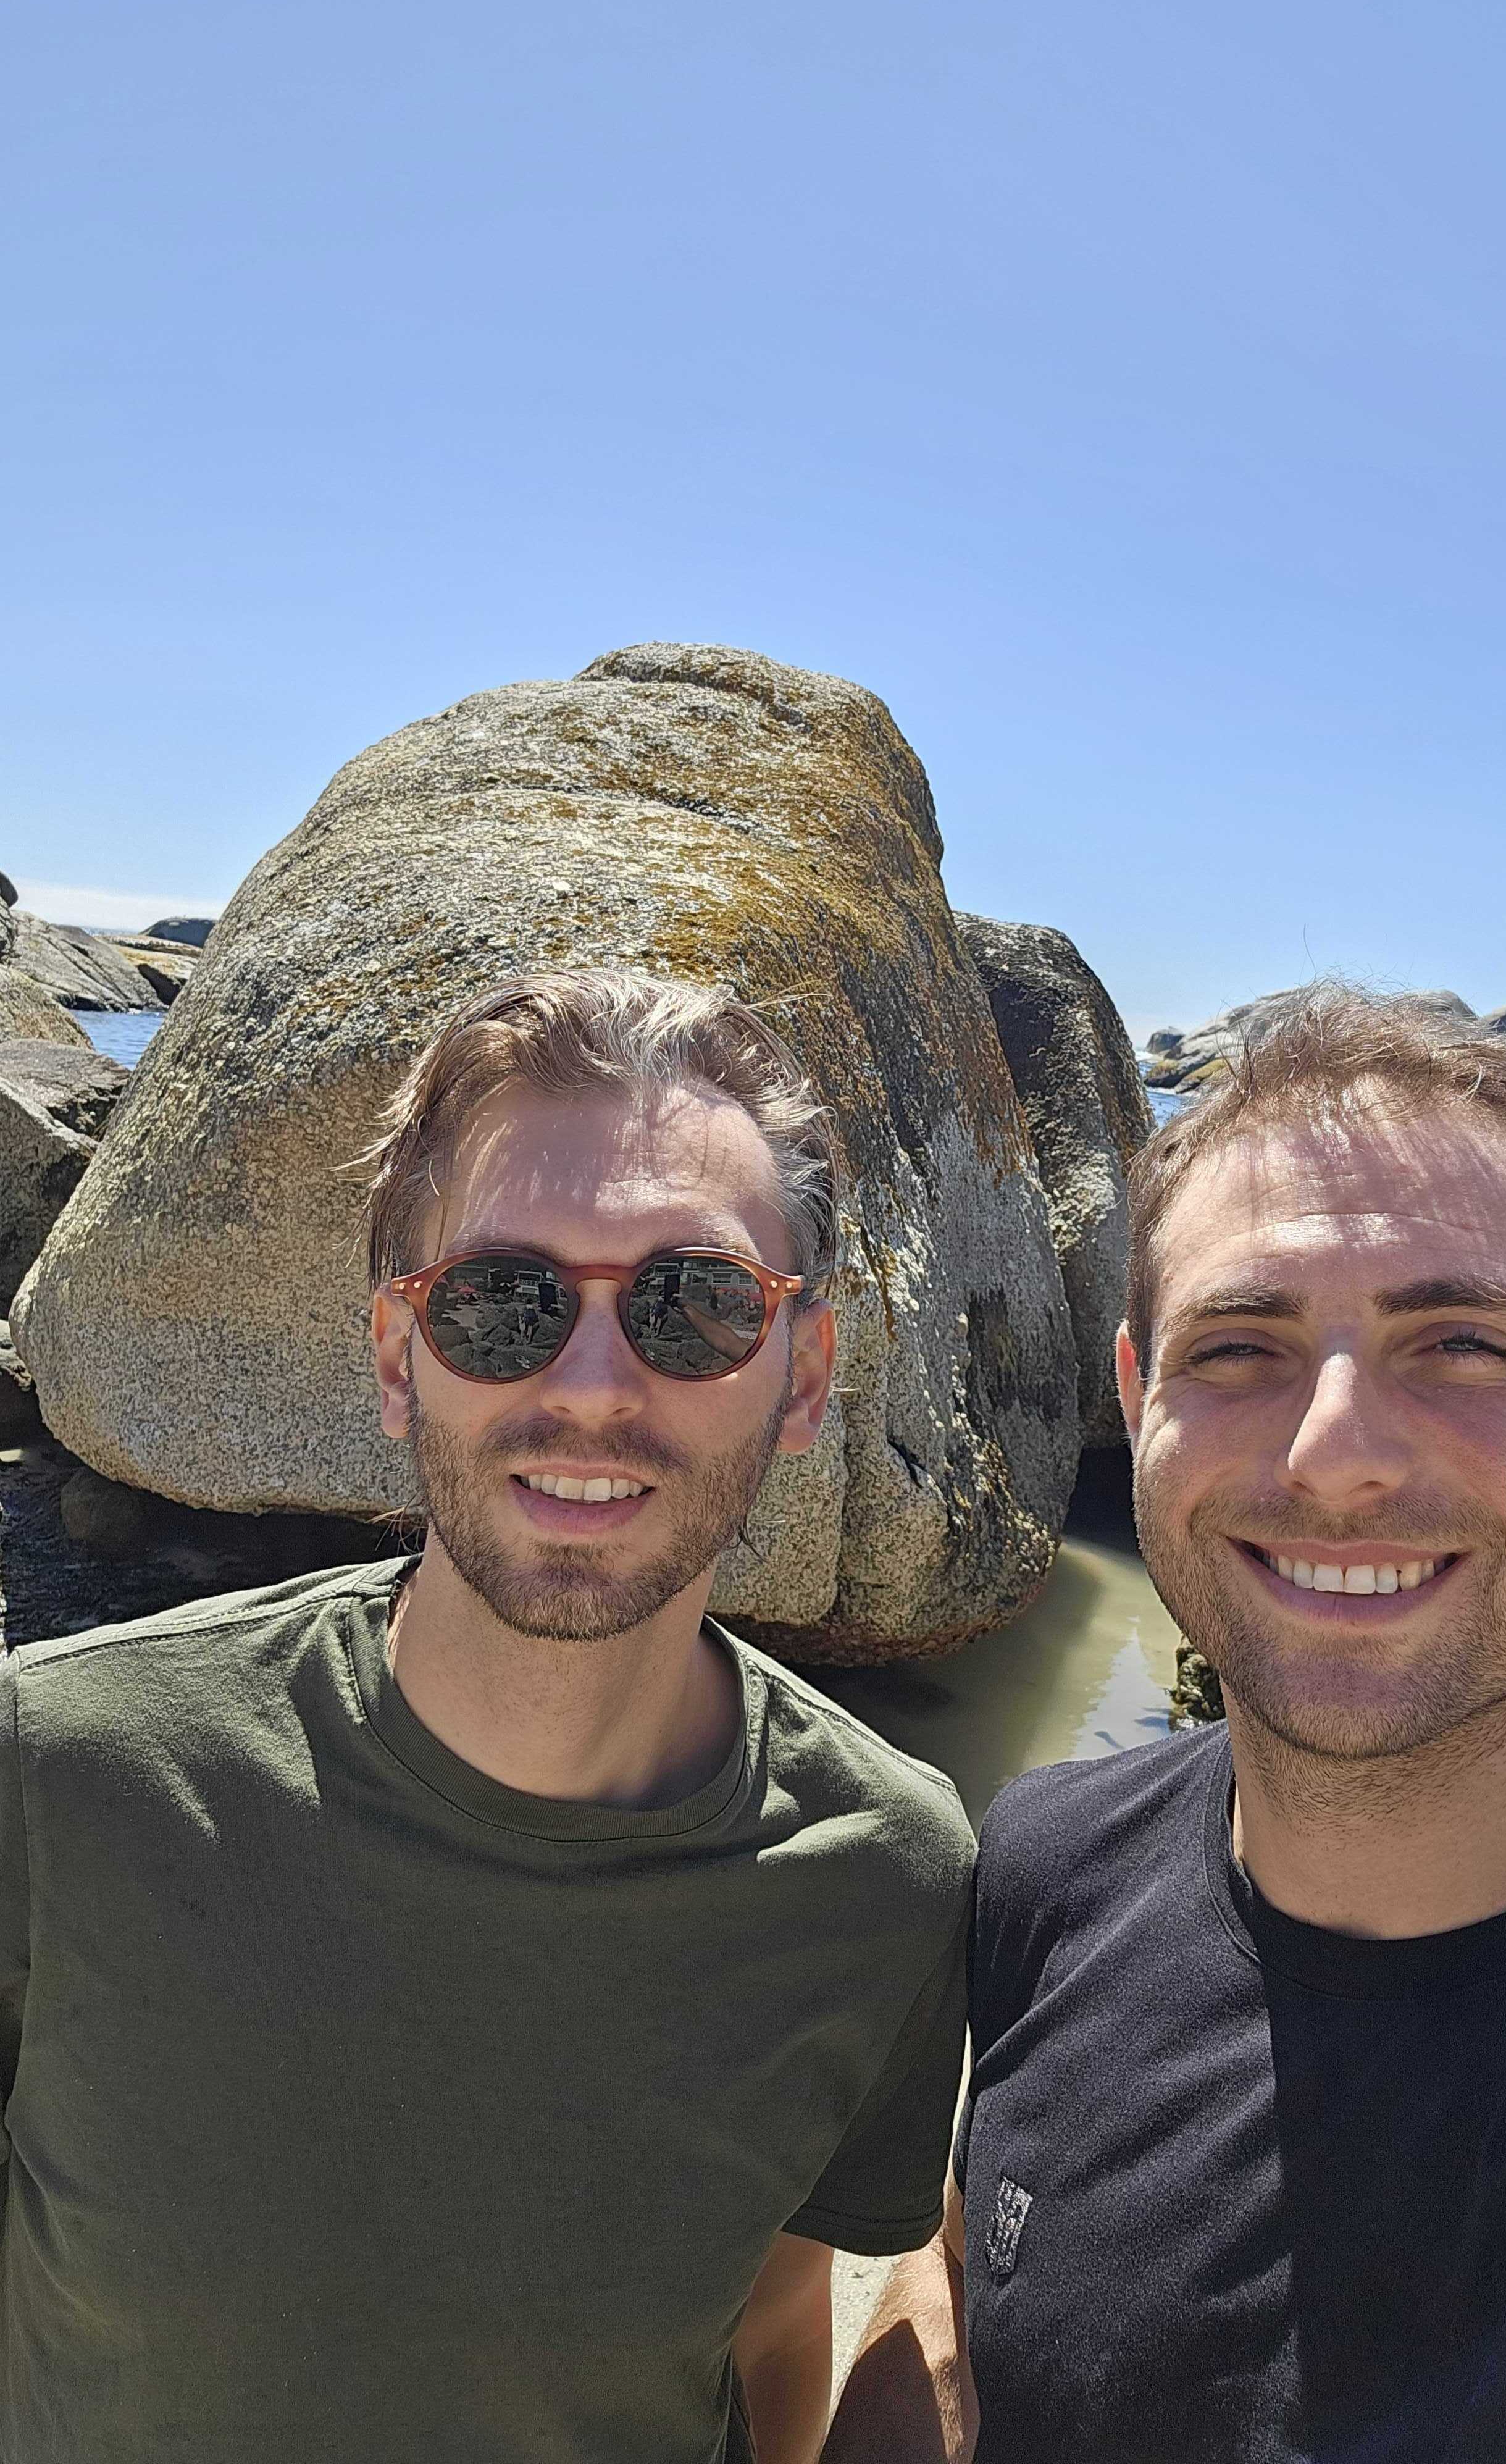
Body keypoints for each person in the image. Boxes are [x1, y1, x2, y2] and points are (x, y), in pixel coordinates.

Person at [826, 984, 1506, 2463]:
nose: (1337, 1456)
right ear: (1137, 1394)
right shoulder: (1043, 1866)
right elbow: (956, 2270)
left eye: (1464, 1343)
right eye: (1239, 1345)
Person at [0, 968, 973, 2464]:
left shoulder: (887, 1874)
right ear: (400, 1356)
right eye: (503, 1301)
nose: (592, 1385)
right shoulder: (60, 1770)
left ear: (804, 1374)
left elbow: (779, 2327)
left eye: (698, 1304)